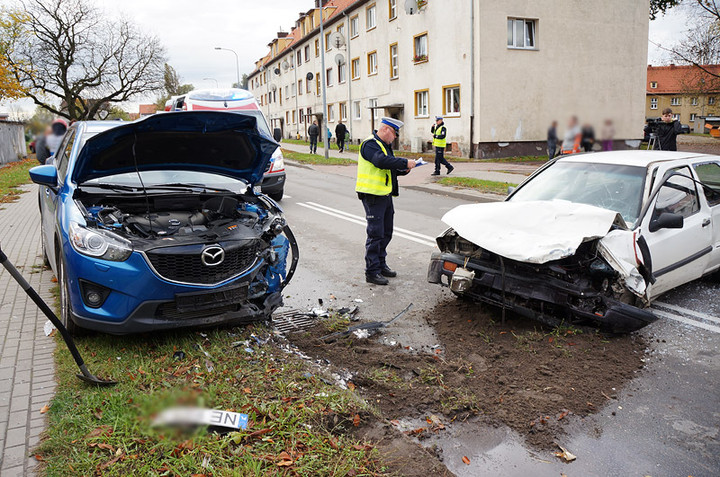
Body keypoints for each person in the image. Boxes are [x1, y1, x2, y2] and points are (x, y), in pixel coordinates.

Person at [356, 117, 416, 286]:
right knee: (375, 234)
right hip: (372, 195)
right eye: (395, 133)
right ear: (386, 130)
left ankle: (381, 265)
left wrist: (404, 169)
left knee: (386, 232)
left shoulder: (384, 145)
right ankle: (372, 271)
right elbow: (380, 161)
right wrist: (405, 162)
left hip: (385, 194)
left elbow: (389, 167)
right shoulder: (370, 144)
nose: (395, 137)